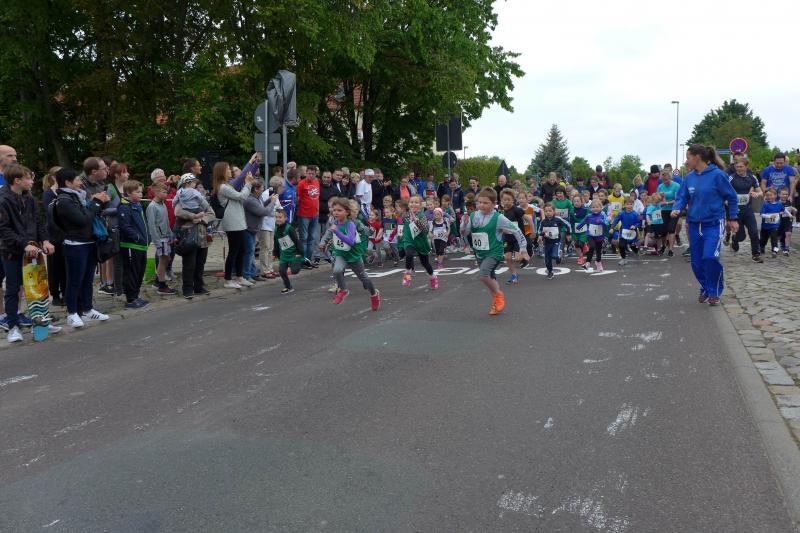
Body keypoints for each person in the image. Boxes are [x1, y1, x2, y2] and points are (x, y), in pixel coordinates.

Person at [671, 144, 739, 306]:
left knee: (710, 257)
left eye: (688, 158)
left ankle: (714, 291)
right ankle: (706, 287)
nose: (686, 161)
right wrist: (676, 208)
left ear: (697, 157)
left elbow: (732, 197)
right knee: (696, 263)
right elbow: (682, 197)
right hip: (694, 224)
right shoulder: (689, 178)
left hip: (714, 223)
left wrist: (733, 218)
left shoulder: (718, 175)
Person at [0, 165, 60, 342]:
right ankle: (13, 327)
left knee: (37, 287)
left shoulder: (29, 198)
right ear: (17, 181)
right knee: (13, 289)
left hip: (33, 251)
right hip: (12, 252)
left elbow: (38, 222)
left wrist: (45, 240)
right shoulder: (3, 200)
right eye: (28, 178)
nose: (32, 181)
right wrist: (24, 244)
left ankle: (40, 321)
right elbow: (4, 229)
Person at [52, 168, 110, 327]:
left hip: (89, 242)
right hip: (75, 245)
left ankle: (88, 309)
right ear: (67, 182)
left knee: (88, 280)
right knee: (74, 280)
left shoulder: (77, 196)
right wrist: (96, 202)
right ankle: (72, 313)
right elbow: (82, 220)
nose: (80, 182)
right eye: (77, 179)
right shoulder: (64, 200)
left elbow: (91, 215)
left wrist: (100, 202)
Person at [459, 187, 528, 314]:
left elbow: (516, 230)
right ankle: (496, 301)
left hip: (494, 253)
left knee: (483, 275)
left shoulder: (499, 218)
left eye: (485, 203)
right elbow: (465, 233)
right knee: (490, 277)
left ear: (493, 203)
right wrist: (464, 224)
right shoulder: (473, 215)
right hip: (480, 253)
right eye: (479, 202)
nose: (482, 205)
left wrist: (523, 248)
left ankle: (498, 295)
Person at [319, 198, 381, 310]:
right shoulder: (334, 223)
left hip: (354, 255)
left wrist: (337, 231)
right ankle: (343, 290)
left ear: (347, 212)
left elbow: (351, 241)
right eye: (334, 210)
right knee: (337, 270)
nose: (336, 212)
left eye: (339, 210)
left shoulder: (351, 224)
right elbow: (328, 233)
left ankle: (374, 294)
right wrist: (322, 243)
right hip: (341, 254)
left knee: (364, 279)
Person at [215, 162, 254, 289]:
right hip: (232, 223)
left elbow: (240, 179)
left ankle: (239, 276)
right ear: (222, 172)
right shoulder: (223, 187)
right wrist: (248, 183)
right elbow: (242, 196)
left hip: (238, 222)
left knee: (241, 250)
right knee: (234, 251)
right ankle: (227, 279)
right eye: (227, 169)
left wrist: (251, 164)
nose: (230, 171)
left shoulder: (227, 185)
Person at [117, 180, 150, 309]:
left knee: (139, 272)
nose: (141, 194)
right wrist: (137, 237)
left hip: (141, 246)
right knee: (131, 273)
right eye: (137, 192)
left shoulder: (138, 205)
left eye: (141, 191)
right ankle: (130, 299)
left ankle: (136, 296)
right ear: (128, 193)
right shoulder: (124, 207)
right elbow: (125, 227)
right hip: (131, 245)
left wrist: (147, 237)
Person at [728, 160, 763, 262]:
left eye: (741, 166)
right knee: (741, 237)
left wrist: (757, 194)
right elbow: (724, 191)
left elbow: (760, 192)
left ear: (746, 167)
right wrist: (727, 201)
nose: (739, 169)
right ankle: (735, 239)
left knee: (754, 232)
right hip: (736, 210)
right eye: (737, 167)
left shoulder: (752, 177)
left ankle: (755, 254)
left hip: (747, 209)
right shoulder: (731, 178)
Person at [41, 166, 67, 306]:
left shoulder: (65, 191)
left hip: (66, 234)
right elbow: (51, 214)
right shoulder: (48, 194)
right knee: (55, 266)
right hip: (54, 235)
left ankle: (66, 292)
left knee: (65, 265)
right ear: (53, 177)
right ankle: (55, 295)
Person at [145, 182, 177, 295]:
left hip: (166, 237)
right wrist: (157, 242)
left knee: (166, 259)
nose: (166, 194)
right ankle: (161, 286)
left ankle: (158, 282)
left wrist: (170, 234)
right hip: (160, 239)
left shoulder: (162, 204)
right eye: (164, 192)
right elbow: (152, 226)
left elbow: (166, 221)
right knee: (163, 260)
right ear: (157, 192)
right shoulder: (152, 207)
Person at [400, 195, 437, 289]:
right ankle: (408, 274)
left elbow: (425, 229)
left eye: (416, 202)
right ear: (409, 204)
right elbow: (406, 223)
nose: (413, 204)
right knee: (409, 255)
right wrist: (402, 233)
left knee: (425, 263)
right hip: (409, 240)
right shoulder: (405, 215)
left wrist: (417, 220)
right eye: (411, 202)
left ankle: (433, 277)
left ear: (420, 205)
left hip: (421, 242)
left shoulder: (422, 216)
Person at [243, 179, 274, 282]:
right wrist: (273, 202)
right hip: (248, 230)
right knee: (249, 253)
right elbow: (263, 212)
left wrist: (268, 200)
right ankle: (247, 275)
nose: (263, 189)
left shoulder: (257, 198)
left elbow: (261, 206)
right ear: (256, 189)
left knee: (250, 253)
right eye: (261, 187)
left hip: (252, 229)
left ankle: (252, 273)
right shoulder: (250, 200)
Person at [499, 189, 527, 284]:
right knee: (507, 258)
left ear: (513, 200)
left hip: (517, 238)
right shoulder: (501, 211)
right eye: (505, 200)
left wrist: (532, 231)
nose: (507, 202)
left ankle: (525, 256)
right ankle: (514, 275)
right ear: (501, 200)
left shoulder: (517, 210)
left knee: (518, 258)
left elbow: (528, 218)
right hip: (507, 238)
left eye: (509, 200)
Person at [273, 208, 303, 293]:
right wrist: (274, 253)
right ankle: (288, 287)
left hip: (293, 253)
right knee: (282, 271)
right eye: (276, 217)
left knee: (294, 270)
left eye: (280, 217)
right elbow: (276, 243)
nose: (278, 219)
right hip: (284, 254)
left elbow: (296, 241)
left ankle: (303, 261)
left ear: (285, 218)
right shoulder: (275, 229)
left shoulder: (289, 228)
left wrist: (298, 252)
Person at [296, 165, 321, 267]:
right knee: (303, 238)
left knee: (312, 238)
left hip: (315, 214)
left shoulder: (317, 182)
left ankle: (308, 260)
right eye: (309, 173)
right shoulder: (301, 184)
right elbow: (297, 199)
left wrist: (317, 210)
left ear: (315, 174)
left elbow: (317, 198)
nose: (310, 175)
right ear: (306, 173)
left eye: (313, 174)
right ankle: (303, 260)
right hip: (304, 214)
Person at [538, 203, 571, 279]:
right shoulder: (543, 222)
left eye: (550, 211)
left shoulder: (557, 220)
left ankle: (558, 256)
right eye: (546, 211)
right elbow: (541, 231)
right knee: (547, 259)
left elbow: (567, 225)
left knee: (554, 255)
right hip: (547, 242)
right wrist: (540, 236)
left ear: (554, 211)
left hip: (556, 241)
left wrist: (568, 234)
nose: (548, 213)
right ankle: (550, 272)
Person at [576, 199, 609, 272]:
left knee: (598, 251)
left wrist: (602, 222)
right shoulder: (589, 216)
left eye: (597, 207)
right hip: (590, 235)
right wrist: (579, 227)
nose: (595, 209)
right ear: (590, 208)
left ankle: (598, 262)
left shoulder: (603, 215)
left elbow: (607, 224)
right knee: (592, 246)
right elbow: (583, 221)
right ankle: (587, 263)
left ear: (601, 207)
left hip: (600, 236)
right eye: (593, 207)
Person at [657, 169, 681, 257]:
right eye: (663, 180)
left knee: (671, 229)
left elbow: (678, 200)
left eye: (666, 180)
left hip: (674, 210)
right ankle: (663, 246)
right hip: (663, 210)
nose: (665, 182)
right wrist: (661, 199)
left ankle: (671, 250)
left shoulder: (676, 186)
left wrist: (667, 202)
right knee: (663, 231)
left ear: (670, 178)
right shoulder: (660, 186)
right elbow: (657, 199)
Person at [611, 198, 642, 266]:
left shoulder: (635, 214)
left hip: (632, 233)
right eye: (627, 204)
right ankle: (623, 259)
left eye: (631, 204)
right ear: (624, 205)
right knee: (621, 245)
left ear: (633, 205)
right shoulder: (621, 213)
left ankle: (636, 251)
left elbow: (638, 223)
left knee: (632, 246)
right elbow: (616, 220)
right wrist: (612, 228)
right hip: (623, 233)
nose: (629, 206)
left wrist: (634, 226)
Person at [778, 188, 796, 255]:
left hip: (788, 221)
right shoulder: (777, 203)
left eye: (786, 194)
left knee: (788, 234)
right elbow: (774, 212)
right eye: (783, 194)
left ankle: (787, 249)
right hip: (779, 221)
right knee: (779, 235)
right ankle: (777, 246)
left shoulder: (789, 202)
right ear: (779, 194)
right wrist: (780, 213)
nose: (785, 195)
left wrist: (794, 210)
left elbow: (793, 211)